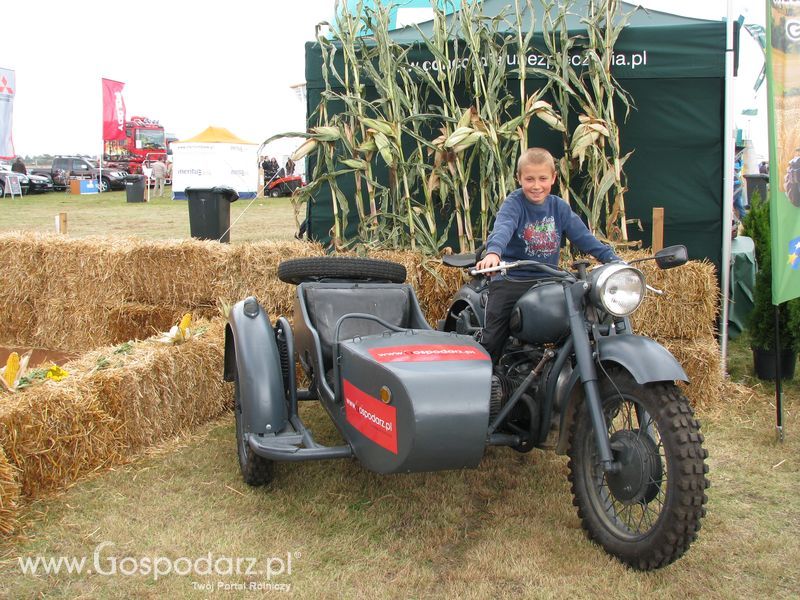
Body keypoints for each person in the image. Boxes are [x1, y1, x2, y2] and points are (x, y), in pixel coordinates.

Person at [475, 147, 621, 362]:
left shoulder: (558, 207)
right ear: (519, 178)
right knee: (493, 338)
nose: (536, 186)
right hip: (513, 279)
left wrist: (613, 259)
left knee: (582, 318)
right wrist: (493, 253)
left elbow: (583, 237)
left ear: (553, 177)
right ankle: (486, 380)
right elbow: (503, 227)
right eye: (529, 179)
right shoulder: (514, 204)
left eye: (542, 178)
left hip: (550, 280)